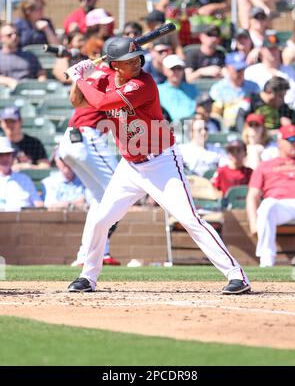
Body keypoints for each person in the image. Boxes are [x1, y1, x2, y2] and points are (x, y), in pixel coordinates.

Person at [65, 36, 251, 294]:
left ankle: (237, 275)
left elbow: (103, 102)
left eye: (138, 56)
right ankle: (88, 277)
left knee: (190, 218)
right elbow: (78, 102)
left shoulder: (144, 83)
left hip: (162, 162)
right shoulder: (105, 76)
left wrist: (80, 78)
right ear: (116, 65)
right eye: (130, 60)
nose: (138, 62)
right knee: (100, 220)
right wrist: (82, 76)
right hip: (129, 166)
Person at [58, 48, 120, 267]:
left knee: (99, 200)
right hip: (87, 136)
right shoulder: (111, 76)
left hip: (70, 140)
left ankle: (89, 254)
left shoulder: (94, 74)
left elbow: (75, 99)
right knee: (119, 190)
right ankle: (98, 252)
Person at [246, 124, 295, 267]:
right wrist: (253, 223)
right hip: (279, 206)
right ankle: (267, 261)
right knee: (267, 205)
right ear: (280, 142)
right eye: (291, 139)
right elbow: (252, 196)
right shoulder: (265, 165)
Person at [210, 52, 260, 130]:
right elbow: (215, 115)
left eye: (242, 69)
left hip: (250, 128)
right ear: (227, 68)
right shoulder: (218, 88)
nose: (240, 72)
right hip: (226, 129)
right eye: (237, 70)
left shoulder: (254, 87)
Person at [0, 106, 50, 171]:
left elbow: (45, 166)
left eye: (12, 121)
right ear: (1, 123)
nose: (10, 125)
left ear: (21, 121)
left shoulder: (33, 143)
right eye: (7, 122)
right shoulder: (1, 143)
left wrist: (29, 167)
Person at [0, 136, 42, 211]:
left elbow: (38, 204)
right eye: (1, 155)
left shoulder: (24, 179)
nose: (4, 159)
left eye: (7, 154)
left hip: (25, 220)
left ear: (12, 156)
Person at [0, 23, 47, 89]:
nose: (14, 37)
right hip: (6, 92)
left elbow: (41, 73)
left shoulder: (29, 55)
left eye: (16, 34)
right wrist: (8, 81)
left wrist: (40, 85)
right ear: (1, 38)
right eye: (9, 35)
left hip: (29, 91)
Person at [157, 54, 198, 121]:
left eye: (179, 68)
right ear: (164, 70)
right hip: (169, 126)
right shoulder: (158, 90)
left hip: (192, 124)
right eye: (172, 69)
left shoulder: (192, 88)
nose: (176, 72)